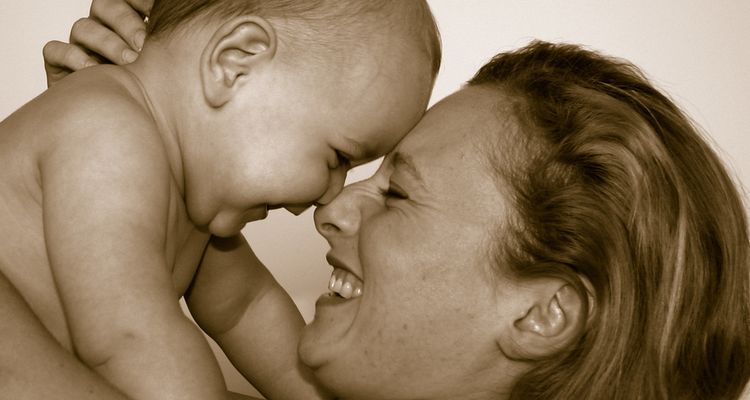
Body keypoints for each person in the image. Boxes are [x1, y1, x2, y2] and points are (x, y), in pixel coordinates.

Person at [5, 2, 750, 400]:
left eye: (396, 192)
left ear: (541, 312)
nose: (330, 207)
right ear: (234, 64)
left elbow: (165, 337)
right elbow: (216, 318)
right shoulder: (114, 143)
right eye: (341, 160)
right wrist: (112, 185)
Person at [0, 1, 439, 399]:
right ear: (236, 62)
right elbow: (130, 336)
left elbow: (246, 307)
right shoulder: (106, 129)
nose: (329, 196)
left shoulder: (194, 198)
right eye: (338, 158)